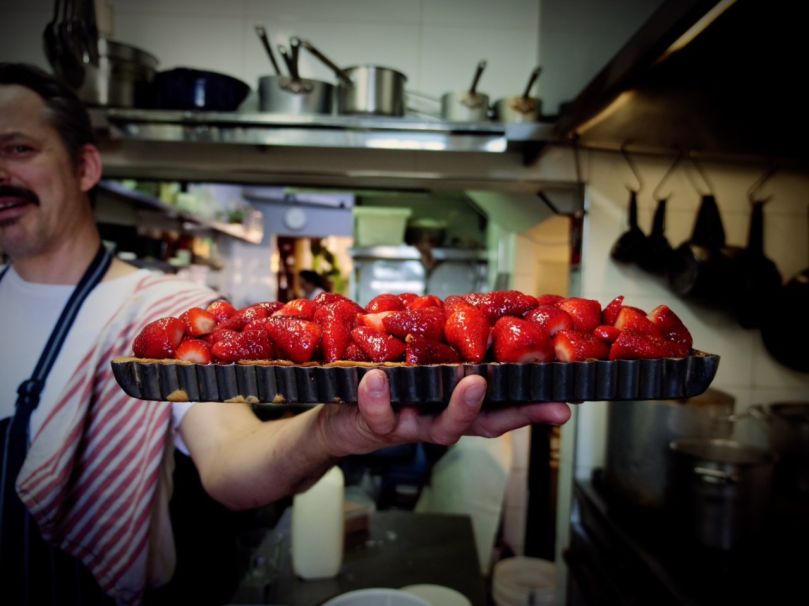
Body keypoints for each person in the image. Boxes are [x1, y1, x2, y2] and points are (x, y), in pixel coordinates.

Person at [0, 62, 571, 606]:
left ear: (85, 167)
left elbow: (229, 466)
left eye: (18, 149)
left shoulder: (164, 312)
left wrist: (334, 432)